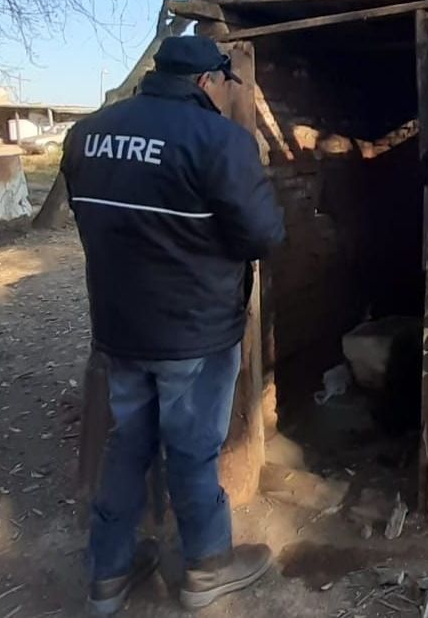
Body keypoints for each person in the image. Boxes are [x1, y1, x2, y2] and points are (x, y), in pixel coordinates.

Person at [60, 35, 285, 615]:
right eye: (224, 84)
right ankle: (207, 567)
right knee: (191, 448)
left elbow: (89, 219)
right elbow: (263, 235)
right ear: (207, 81)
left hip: (119, 325)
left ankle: (107, 573)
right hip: (194, 330)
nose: (224, 94)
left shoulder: (86, 135)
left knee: (128, 441)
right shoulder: (219, 140)